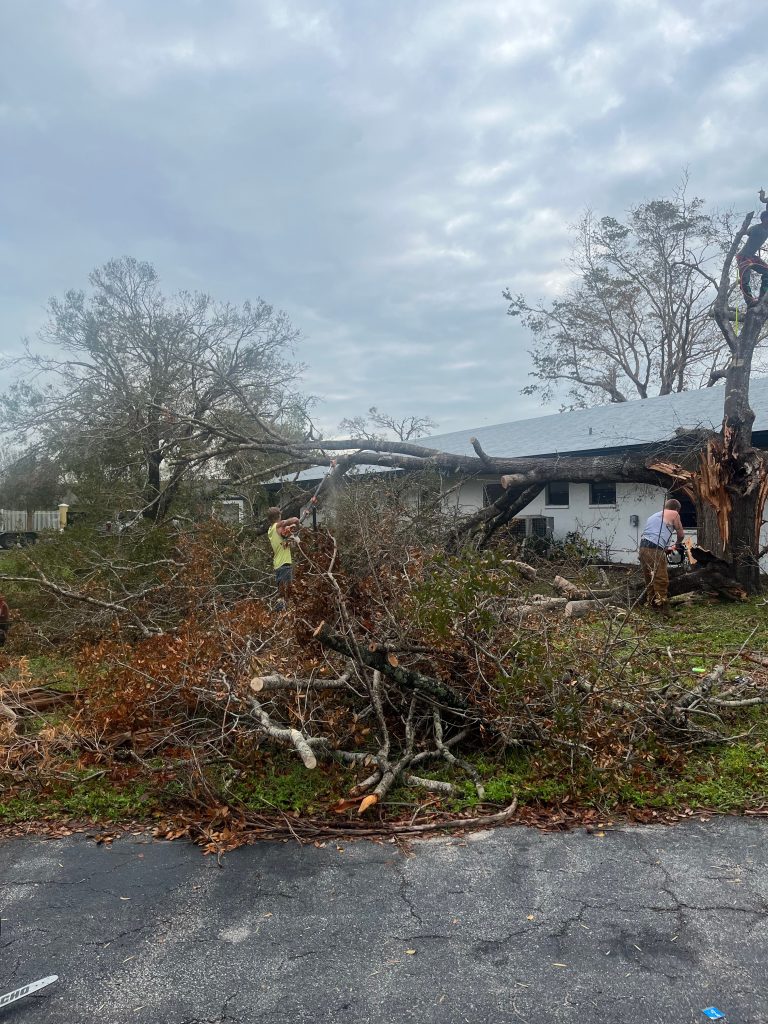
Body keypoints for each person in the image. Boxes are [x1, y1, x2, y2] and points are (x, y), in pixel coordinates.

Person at [638, 499, 685, 612]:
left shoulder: (653, 516)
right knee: (661, 579)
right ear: (677, 509)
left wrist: (666, 548)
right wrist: (677, 544)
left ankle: (652, 605)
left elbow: (654, 535)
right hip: (654, 549)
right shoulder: (674, 514)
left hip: (643, 547)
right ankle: (664, 609)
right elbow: (681, 534)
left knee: (650, 578)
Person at [736, 191, 768, 308]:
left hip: (753, 257)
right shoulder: (756, 228)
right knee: (745, 279)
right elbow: (746, 232)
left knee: (767, 271)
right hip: (743, 256)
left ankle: (763, 295)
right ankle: (749, 301)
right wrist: (743, 231)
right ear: (763, 219)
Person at [266, 507, 299, 608]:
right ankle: (279, 617)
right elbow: (291, 521)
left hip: (278, 565)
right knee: (285, 595)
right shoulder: (276, 526)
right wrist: (295, 520)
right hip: (284, 565)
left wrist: (292, 536)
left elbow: (285, 541)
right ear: (279, 516)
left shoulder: (270, 530)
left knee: (282, 594)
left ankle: (279, 617)